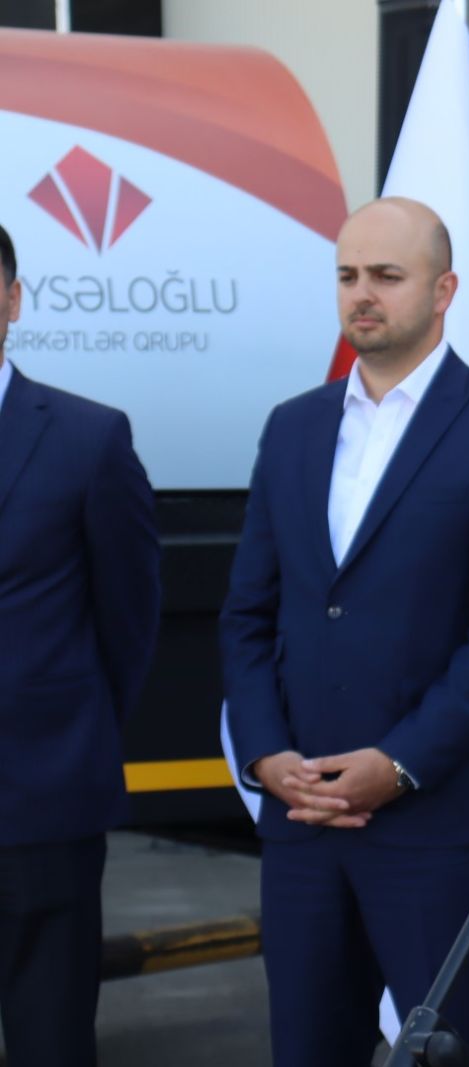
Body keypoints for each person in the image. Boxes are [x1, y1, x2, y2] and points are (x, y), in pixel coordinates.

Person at [220, 198, 469, 1067]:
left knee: (458, 1055)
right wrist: (264, 755)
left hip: (436, 833)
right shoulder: (293, 426)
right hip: (302, 827)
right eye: (347, 276)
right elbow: (249, 613)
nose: (361, 293)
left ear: (444, 290)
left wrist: (400, 763)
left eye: (385, 275)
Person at [0, 222, 161, 1067]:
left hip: (42, 808)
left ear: (13, 301)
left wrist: (69, 732)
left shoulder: (88, 438)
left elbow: (129, 616)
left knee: (50, 1040)